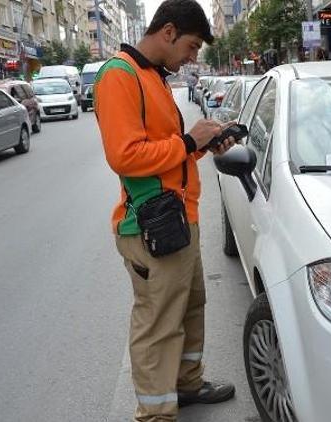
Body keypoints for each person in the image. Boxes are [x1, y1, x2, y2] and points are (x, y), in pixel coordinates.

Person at [93, 1, 237, 420]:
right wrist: (190, 143)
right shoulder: (119, 75)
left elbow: (166, 153)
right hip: (150, 226)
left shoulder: (153, 77)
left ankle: (186, 384)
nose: (193, 58)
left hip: (178, 219)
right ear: (169, 32)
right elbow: (126, 156)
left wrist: (203, 145)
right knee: (157, 324)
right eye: (191, 47)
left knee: (191, 307)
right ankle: (156, 414)